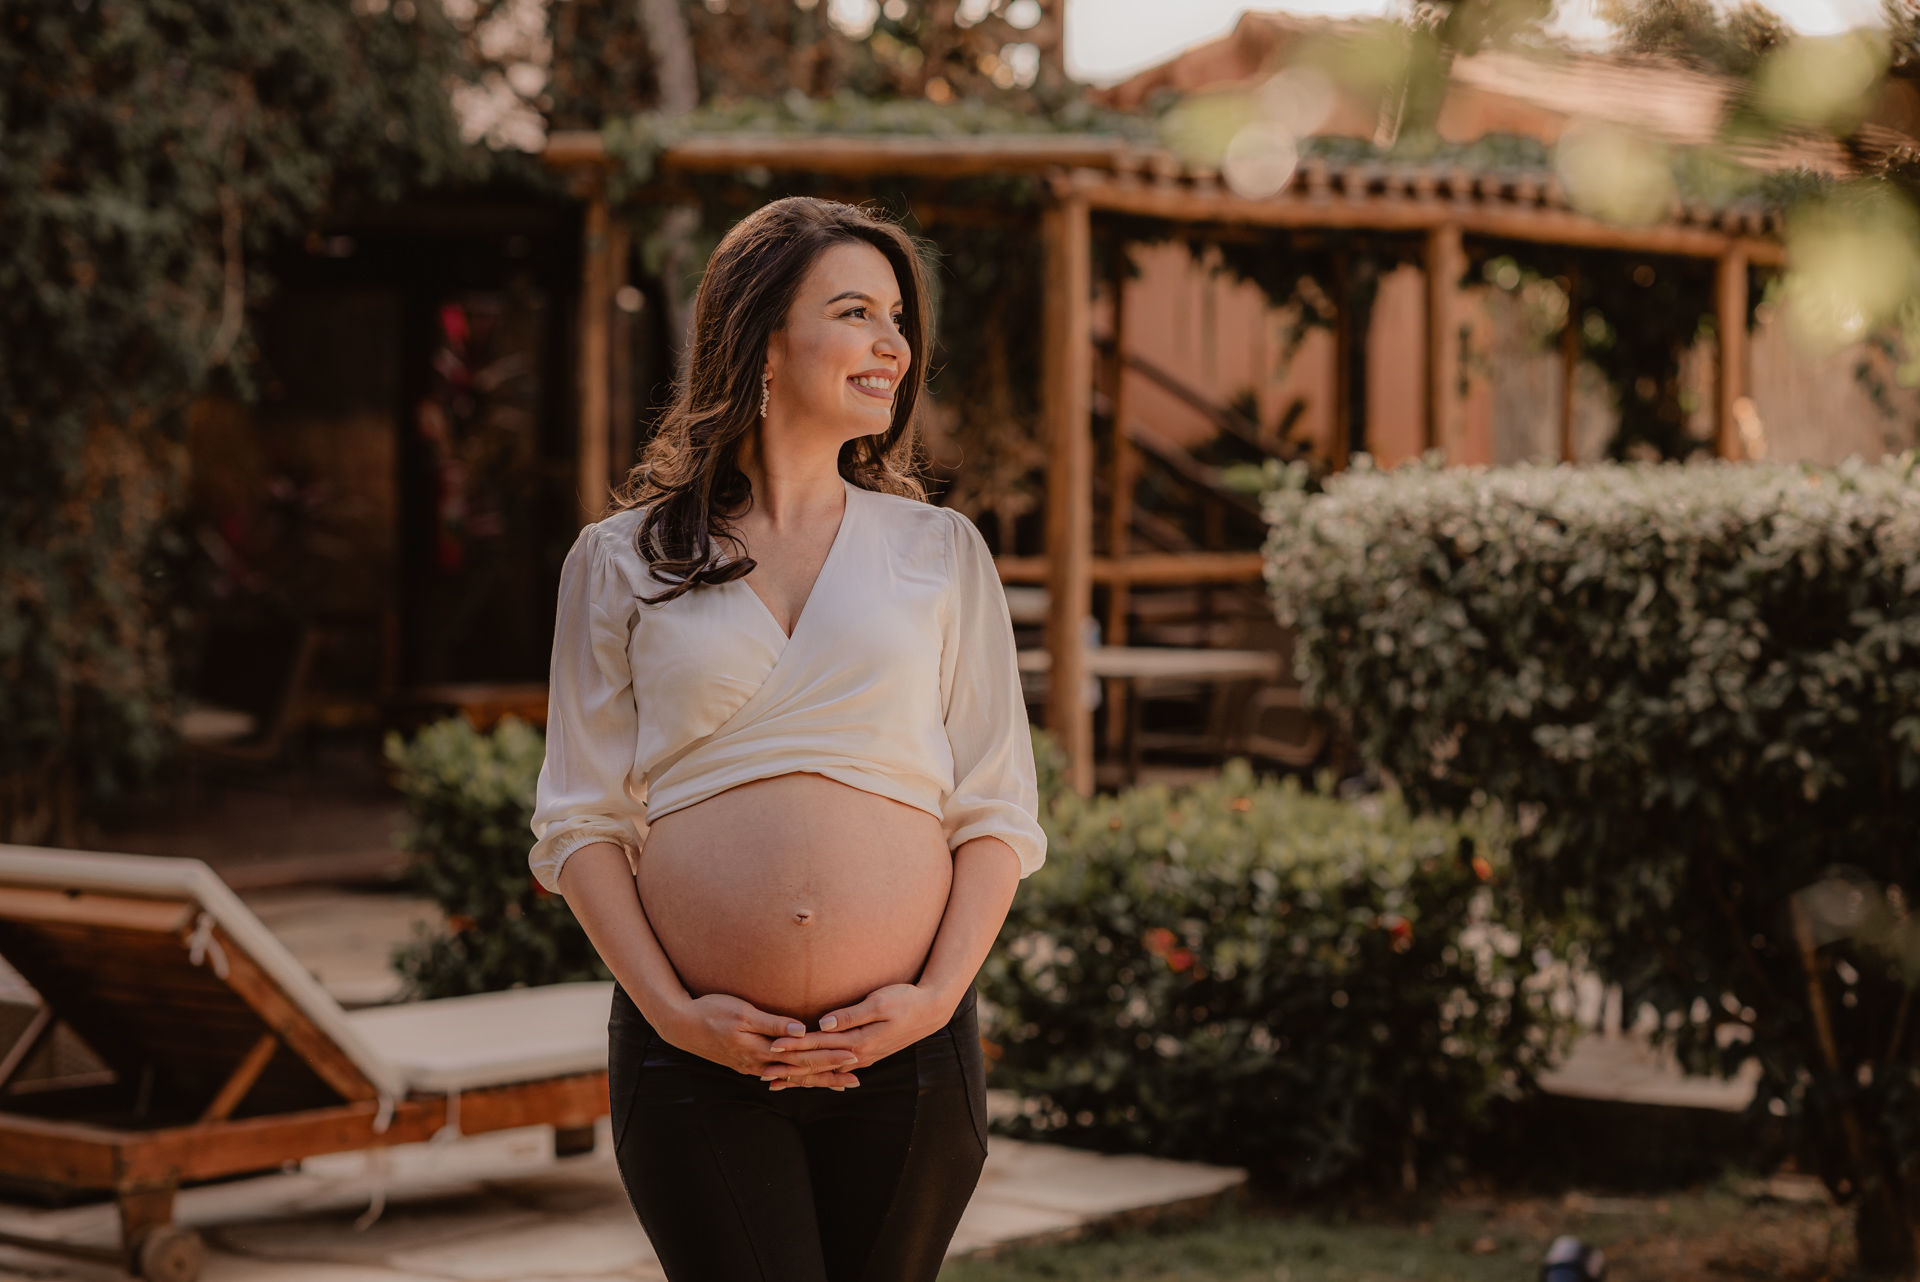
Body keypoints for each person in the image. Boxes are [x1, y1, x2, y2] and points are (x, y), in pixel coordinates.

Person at [526, 195, 1048, 1282]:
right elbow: (580, 821)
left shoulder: (940, 551)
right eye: (854, 311)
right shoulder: (620, 559)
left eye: (898, 317)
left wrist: (934, 1001)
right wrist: (676, 1014)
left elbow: (997, 809)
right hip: (694, 1059)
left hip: (906, 1055)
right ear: (763, 341)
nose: (893, 343)